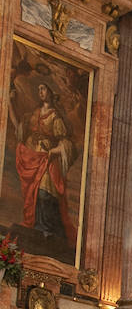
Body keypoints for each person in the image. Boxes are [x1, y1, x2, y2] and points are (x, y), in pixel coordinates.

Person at [15, 81, 78, 244]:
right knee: (33, 193)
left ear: (51, 91)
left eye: (43, 88)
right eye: (38, 89)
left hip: (47, 160)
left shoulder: (55, 116)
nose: (40, 92)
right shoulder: (35, 113)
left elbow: (66, 144)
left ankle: (47, 230)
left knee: (44, 193)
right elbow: (20, 130)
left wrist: (52, 152)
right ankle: (38, 228)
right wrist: (9, 103)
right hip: (34, 157)